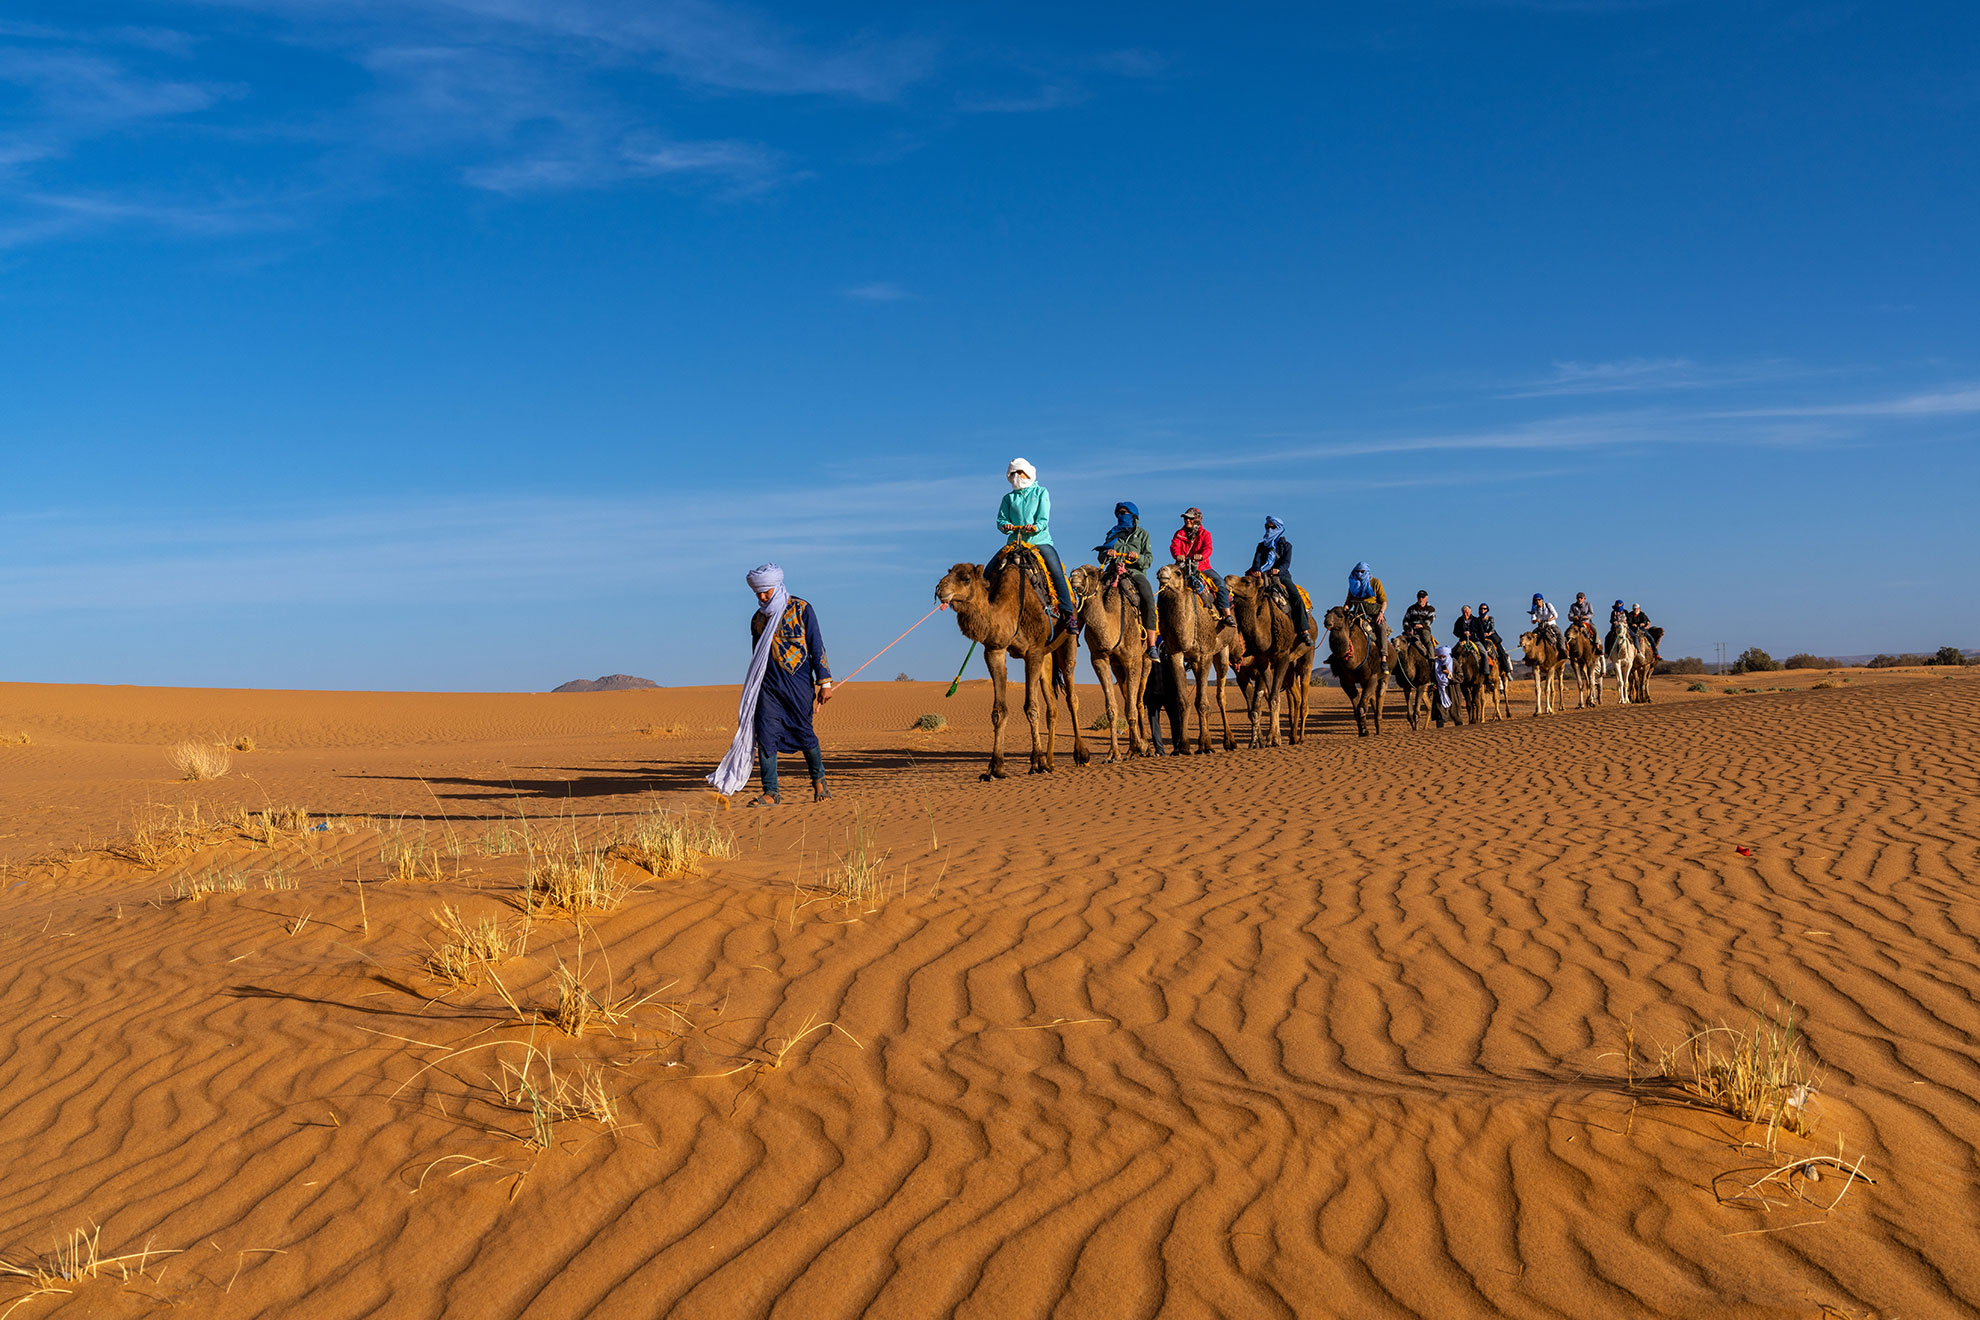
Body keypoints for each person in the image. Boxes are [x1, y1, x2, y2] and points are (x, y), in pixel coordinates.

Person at [706, 563, 835, 806]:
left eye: (766, 591)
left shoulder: (801, 609)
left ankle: (820, 784)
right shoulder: (758, 619)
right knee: (765, 735)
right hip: (767, 688)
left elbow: (816, 647)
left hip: (797, 685)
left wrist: (824, 683)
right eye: (758, 593)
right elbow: (758, 656)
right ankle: (771, 791)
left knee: (805, 734)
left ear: (777, 586)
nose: (762, 596)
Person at [997, 458, 1078, 630]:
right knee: (990, 571)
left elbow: (1043, 519)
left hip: (1039, 542)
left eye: (1019, 472)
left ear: (1027, 473)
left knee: (1056, 571)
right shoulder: (1008, 498)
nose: (1017, 476)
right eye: (1013, 473)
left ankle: (1068, 614)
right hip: (1015, 543)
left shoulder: (1041, 492)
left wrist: (1035, 527)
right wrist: (1005, 526)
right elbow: (1001, 519)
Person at [1096, 501, 1159, 659]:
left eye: (1125, 513)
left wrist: (1137, 557)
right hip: (1112, 570)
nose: (1121, 516)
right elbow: (1100, 556)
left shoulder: (1143, 535)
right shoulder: (1112, 533)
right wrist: (1107, 553)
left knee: (1148, 600)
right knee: (1091, 596)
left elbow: (1148, 559)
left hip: (1134, 572)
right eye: (1119, 513)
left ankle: (1152, 645)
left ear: (1133, 516)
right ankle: (1076, 633)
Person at [1170, 507, 1235, 627]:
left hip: (1202, 567)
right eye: (1186, 518)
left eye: (1190, 518)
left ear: (1197, 519)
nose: (1187, 521)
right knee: (1167, 584)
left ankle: (1227, 614)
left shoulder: (1205, 534)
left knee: (1219, 583)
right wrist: (1177, 555)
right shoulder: (1179, 534)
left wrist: (1201, 556)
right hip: (1182, 567)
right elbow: (1174, 546)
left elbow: (1208, 548)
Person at [1247, 515, 1311, 635]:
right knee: (1243, 595)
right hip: (1263, 576)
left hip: (1281, 576)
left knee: (1296, 598)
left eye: (1273, 527)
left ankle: (1304, 629)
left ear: (1279, 528)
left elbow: (1286, 562)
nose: (1269, 530)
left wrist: (1278, 570)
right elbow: (1256, 561)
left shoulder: (1287, 546)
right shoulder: (1261, 546)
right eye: (1267, 527)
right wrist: (1257, 570)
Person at [1345, 561, 1389, 654]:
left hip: (1374, 614)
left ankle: (1384, 655)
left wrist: (1381, 613)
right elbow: (1348, 603)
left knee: (1381, 627)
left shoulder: (1376, 583)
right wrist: (1345, 608)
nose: (1360, 574)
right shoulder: (1353, 586)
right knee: (1341, 628)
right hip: (1357, 614)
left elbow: (1384, 601)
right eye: (1358, 571)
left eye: (1362, 571)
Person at [1477, 602, 1510, 675]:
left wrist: (1488, 633)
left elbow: (1492, 627)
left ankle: (1507, 670)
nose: (1483, 610)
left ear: (1487, 610)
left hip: (1491, 635)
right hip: (1481, 636)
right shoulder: (1477, 620)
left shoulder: (1490, 618)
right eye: (1481, 608)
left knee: (1501, 651)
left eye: (1484, 608)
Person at [1401, 589, 1437, 655]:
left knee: (1426, 640)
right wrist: (1407, 628)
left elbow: (1431, 619)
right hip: (1411, 629)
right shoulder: (1411, 608)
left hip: (1424, 629)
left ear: (1426, 598)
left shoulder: (1431, 609)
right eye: (1419, 597)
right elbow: (1405, 620)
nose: (1420, 599)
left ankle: (1431, 659)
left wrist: (1422, 625)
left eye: (1422, 597)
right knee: (1400, 641)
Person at [1432, 644, 1454, 727]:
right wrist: (1433, 684)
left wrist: (1449, 674)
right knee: (1439, 714)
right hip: (1439, 691)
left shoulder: (1454, 663)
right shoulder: (1435, 664)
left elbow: (1460, 677)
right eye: (1440, 657)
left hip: (1452, 691)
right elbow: (1432, 676)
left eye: (1444, 656)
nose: (1442, 659)